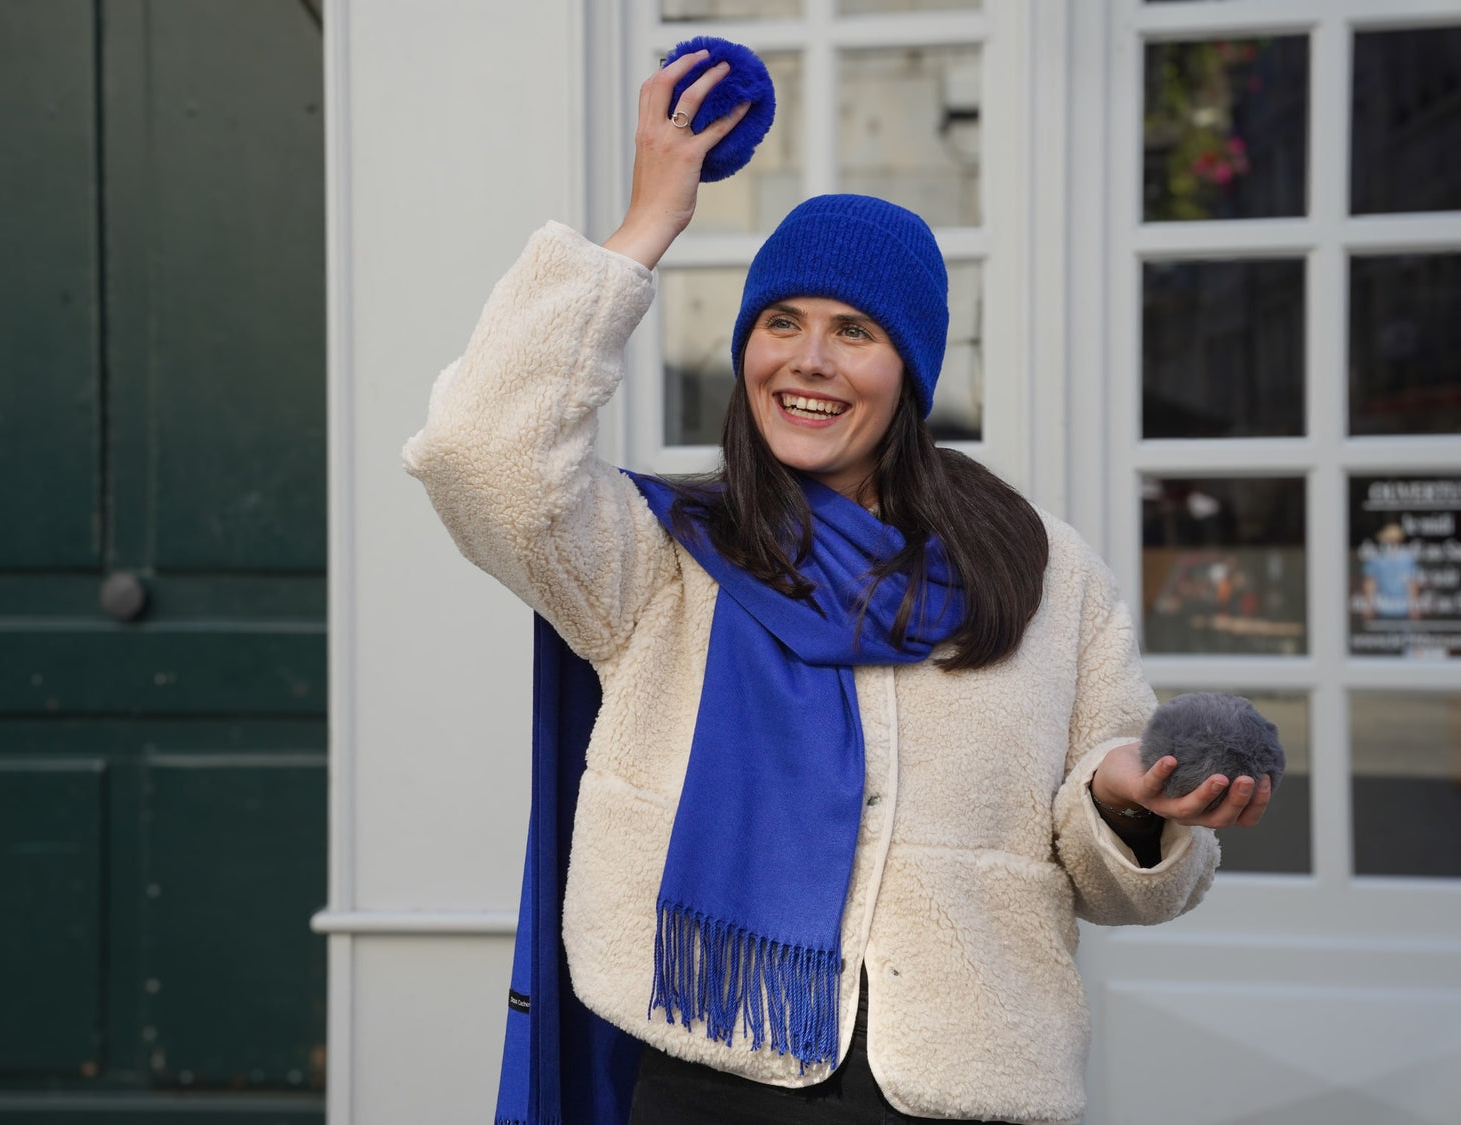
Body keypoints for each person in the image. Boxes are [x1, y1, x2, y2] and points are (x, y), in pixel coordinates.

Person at [404, 51, 1272, 1125]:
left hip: (967, 1083)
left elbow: (1117, 873)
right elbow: (473, 450)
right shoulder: (661, 558)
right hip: (708, 1073)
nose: (808, 360)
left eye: (853, 332)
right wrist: (646, 228)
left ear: (908, 369)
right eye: (781, 322)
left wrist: (1124, 805)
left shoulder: (1042, 570)